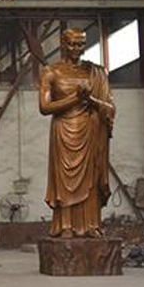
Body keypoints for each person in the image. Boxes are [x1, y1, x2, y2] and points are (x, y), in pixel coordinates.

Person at [39, 28, 115, 238]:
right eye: (72, 44)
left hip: (90, 129)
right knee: (65, 181)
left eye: (81, 44)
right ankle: (66, 226)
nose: (76, 49)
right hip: (64, 129)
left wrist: (90, 99)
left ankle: (91, 224)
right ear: (63, 44)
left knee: (91, 178)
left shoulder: (96, 72)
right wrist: (76, 99)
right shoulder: (50, 72)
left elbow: (109, 107)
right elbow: (44, 107)